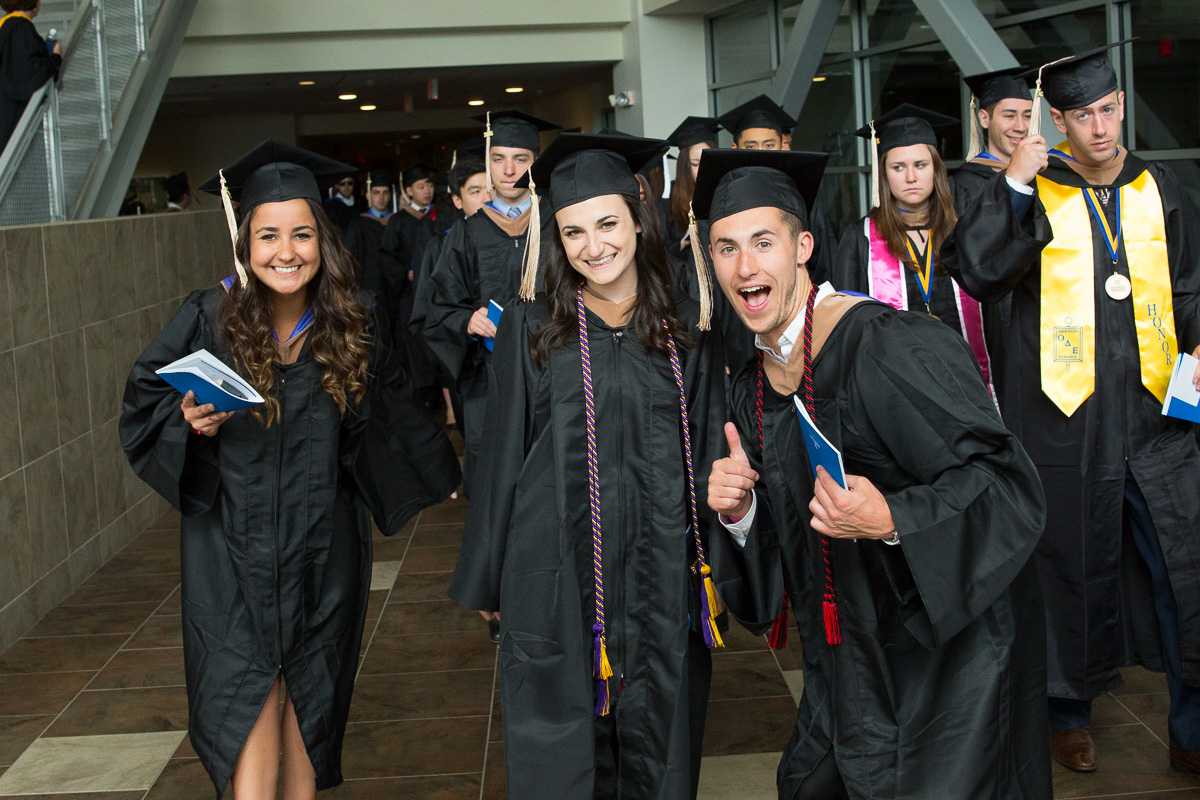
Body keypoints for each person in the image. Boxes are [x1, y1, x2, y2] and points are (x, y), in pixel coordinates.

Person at [698, 148, 1050, 799]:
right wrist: (740, 510)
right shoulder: (754, 377)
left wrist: (892, 520)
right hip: (849, 661)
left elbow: (1004, 483)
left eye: (763, 241)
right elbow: (786, 551)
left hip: (949, 658)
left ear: (803, 246)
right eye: (725, 248)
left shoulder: (887, 346)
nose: (745, 266)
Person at [119, 139, 461, 799]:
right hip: (230, 553)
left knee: (310, 700)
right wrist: (189, 423)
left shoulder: (352, 326)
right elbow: (143, 405)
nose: (286, 251)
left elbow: (383, 424)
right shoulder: (205, 320)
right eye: (268, 235)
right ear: (244, 243)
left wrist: (437, 467)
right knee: (246, 701)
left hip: (323, 548)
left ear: (322, 242)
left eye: (302, 234)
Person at [942, 42, 1200, 775]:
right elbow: (983, 273)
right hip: (1062, 423)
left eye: (1109, 109)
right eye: (1081, 115)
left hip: (1158, 422)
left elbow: (1192, 288)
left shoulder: (1162, 188)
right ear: (1054, 121)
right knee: (1067, 567)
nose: (1100, 127)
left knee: (1185, 570)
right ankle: (1065, 715)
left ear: (1122, 106)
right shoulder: (1031, 188)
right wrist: (1018, 186)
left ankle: (1192, 728)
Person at [449, 132, 727, 800]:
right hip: (555, 573)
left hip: (661, 571)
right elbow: (502, 456)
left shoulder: (685, 322)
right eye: (573, 231)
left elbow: (710, 447)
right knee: (561, 756)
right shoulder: (534, 325)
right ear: (557, 238)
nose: (593, 245)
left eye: (606, 223)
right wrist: (490, 577)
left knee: (661, 749)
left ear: (637, 215)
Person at [424, 109, 560, 495]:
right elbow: (439, 308)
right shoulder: (466, 232)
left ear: (535, 163)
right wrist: (466, 320)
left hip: (554, 370)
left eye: (521, 159)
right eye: (498, 158)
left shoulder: (557, 223)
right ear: (487, 162)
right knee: (493, 482)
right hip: (488, 378)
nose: (508, 169)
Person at [832, 104, 996, 400]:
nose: (910, 177)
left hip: (969, 385)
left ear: (936, 169)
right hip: (897, 392)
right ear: (883, 173)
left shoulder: (966, 230)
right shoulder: (861, 238)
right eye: (898, 167)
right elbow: (847, 327)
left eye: (920, 165)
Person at [411, 151, 491, 433]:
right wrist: (464, 324)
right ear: (457, 200)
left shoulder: (522, 238)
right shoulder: (441, 247)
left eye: (490, 188)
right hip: (469, 370)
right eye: (475, 191)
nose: (486, 197)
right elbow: (426, 315)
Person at [952, 66, 1035, 213]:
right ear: (984, 119)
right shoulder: (963, 184)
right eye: (1009, 116)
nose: (1021, 127)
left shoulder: (1042, 176)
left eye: (1027, 116)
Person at [0, 0, 60, 150]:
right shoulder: (20, 29)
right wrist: (55, 58)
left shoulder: (5, 26)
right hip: (10, 115)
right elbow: (29, 74)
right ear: (34, 5)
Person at [343, 168, 394, 292]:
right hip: (369, 285)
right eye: (376, 192)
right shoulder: (358, 224)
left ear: (390, 196)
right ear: (368, 195)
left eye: (385, 192)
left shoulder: (396, 221)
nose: (381, 197)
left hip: (395, 285)